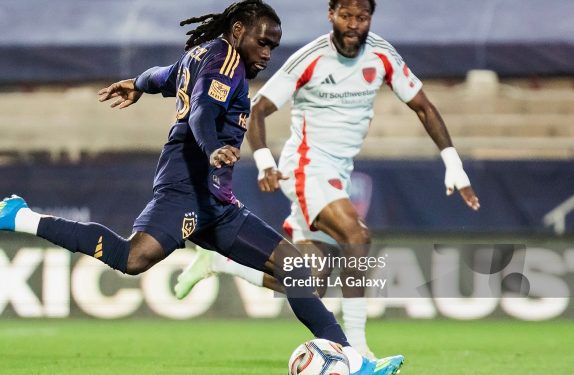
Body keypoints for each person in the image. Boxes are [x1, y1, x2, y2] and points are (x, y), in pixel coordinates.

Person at [0, 1, 402, 374]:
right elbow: (200, 116)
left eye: (273, 46)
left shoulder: (206, 54)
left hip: (218, 202)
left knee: (294, 267)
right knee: (134, 259)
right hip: (185, 188)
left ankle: (355, 360)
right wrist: (212, 149)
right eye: (262, 42)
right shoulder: (226, 65)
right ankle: (21, 215)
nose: (267, 53)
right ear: (238, 29)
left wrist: (136, 83)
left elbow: (165, 75)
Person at [174, 0, 480, 360]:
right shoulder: (311, 57)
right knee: (357, 236)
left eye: (362, 17)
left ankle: (221, 263)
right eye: (346, 16)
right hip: (306, 165)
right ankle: (359, 350)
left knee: (309, 281)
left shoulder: (382, 55)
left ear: (370, 18)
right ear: (331, 14)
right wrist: (263, 161)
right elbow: (259, 109)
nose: (353, 25)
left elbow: (424, 107)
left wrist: (453, 163)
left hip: (339, 173)